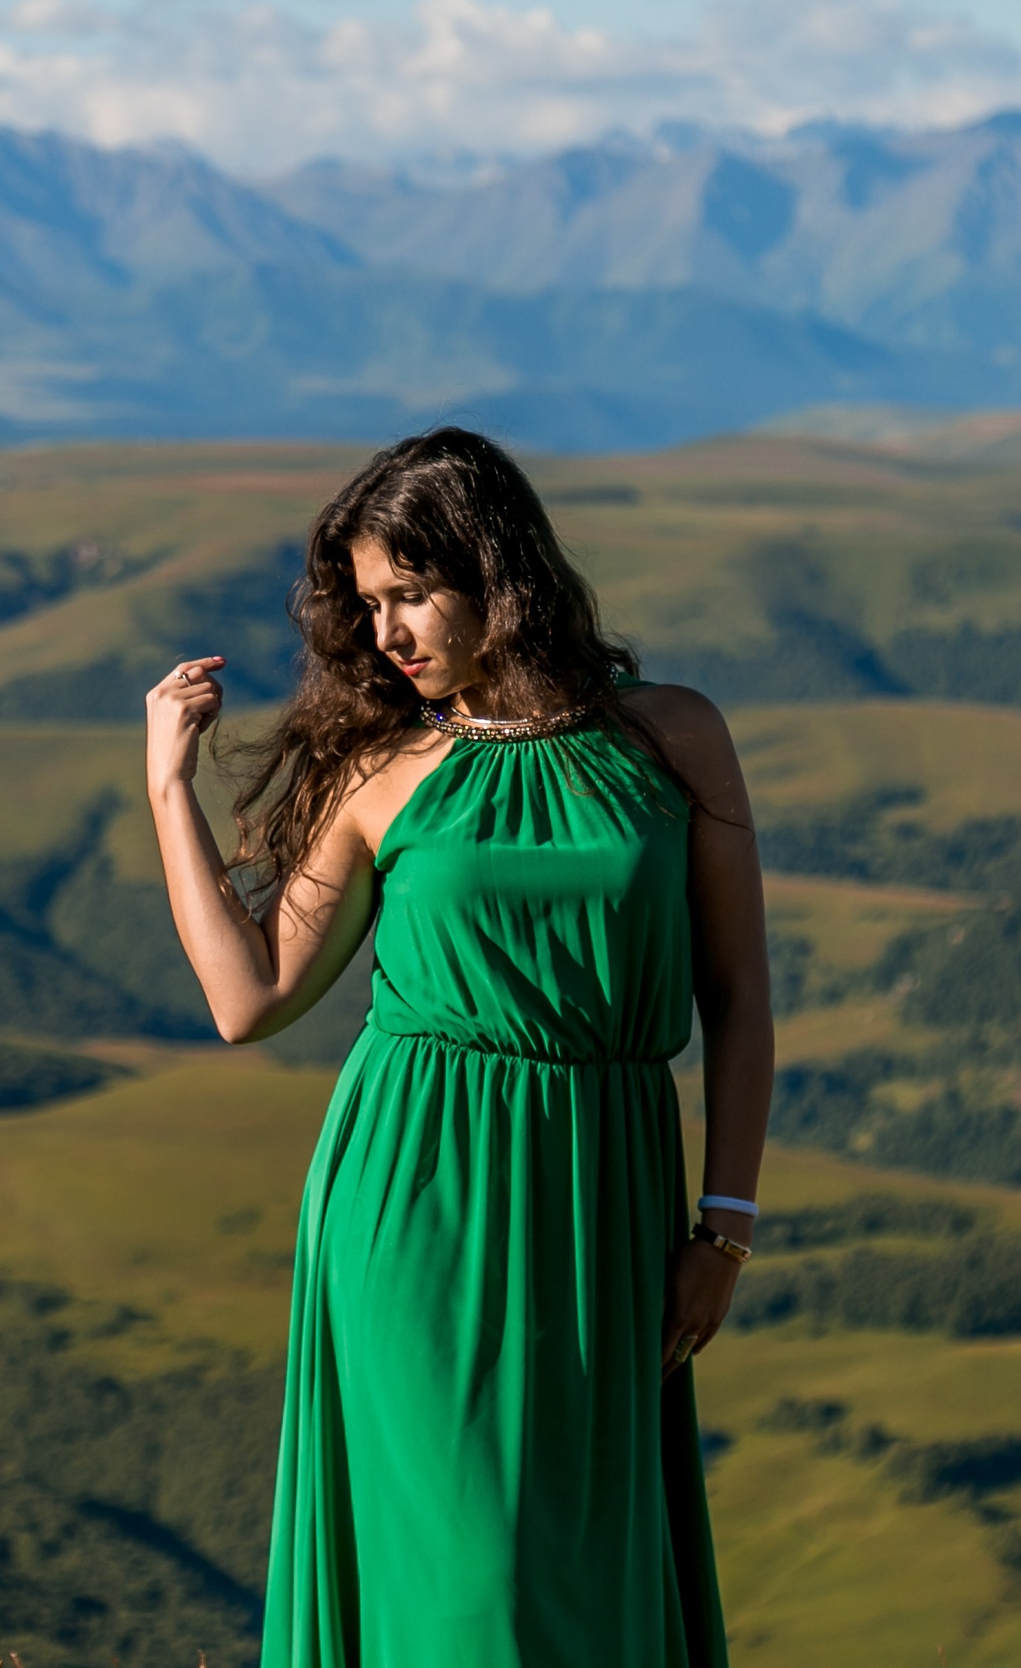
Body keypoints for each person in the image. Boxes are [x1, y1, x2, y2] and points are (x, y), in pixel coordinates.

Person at [143, 426, 775, 1667]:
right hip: (415, 1206)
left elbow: (738, 993)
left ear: (499, 572)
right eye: (368, 603)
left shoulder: (672, 736)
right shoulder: (385, 772)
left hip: (606, 1204)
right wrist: (169, 787)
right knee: (470, 1583)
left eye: (411, 593)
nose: (385, 632)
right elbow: (249, 998)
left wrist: (725, 1230)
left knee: (577, 1572)